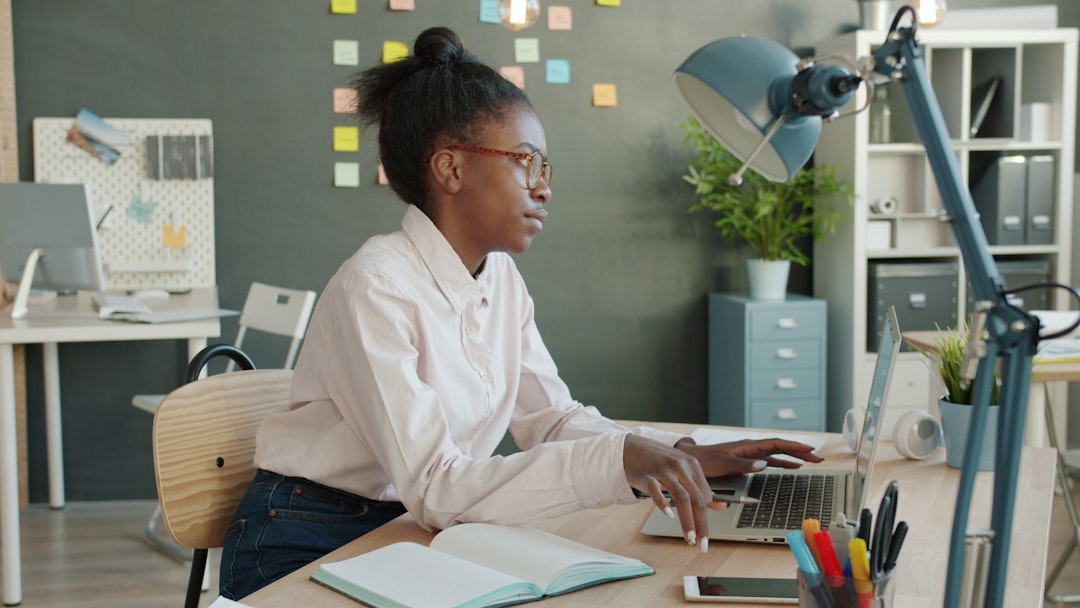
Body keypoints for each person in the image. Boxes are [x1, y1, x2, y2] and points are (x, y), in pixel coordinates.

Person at [219, 25, 822, 600]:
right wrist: (618, 460)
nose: (544, 187)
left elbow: (552, 420)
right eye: (526, 161)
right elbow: (435, 485)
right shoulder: (376, 287)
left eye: (546, 168)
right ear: (450, 168)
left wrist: (676, 450)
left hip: (409, 526)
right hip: (305, 535)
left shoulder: (499, 277)